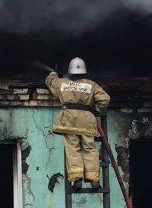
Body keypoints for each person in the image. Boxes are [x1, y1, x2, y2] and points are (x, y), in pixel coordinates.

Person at [46, 57, 110, 190]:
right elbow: (104, 99)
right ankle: (93, 180)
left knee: (72, 150)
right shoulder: (91, 85)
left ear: (70, 71)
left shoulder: (62, 83)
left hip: (68, 122)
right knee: (90, 149)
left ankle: (77, 180)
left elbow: (51, 84)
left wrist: (53, 73)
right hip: (87, 122)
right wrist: (96, 111)